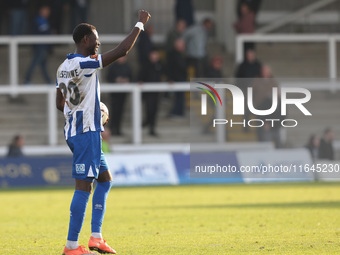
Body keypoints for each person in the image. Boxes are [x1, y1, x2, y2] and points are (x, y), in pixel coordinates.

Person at [56, 10, 151, 255]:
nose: (98, 42)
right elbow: (121, 51)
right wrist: (140, 23)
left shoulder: (63, 67)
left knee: (105, 181)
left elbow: (60, 103)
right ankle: (71, 247)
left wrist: (87, 108)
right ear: (85, 39)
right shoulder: (84, 64)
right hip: (85, 133)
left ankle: (96, 238)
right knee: (83, 187)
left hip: (81, 130)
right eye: (96, 38)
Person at [24, 5, 52, 85]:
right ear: (41, 10)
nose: (47, 12)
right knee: (35, 63)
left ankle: (48, 81)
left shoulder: (45, 20)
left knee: (43, 65)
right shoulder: (39, 20)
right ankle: (27, 80)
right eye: (46, 10)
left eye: (48, 11)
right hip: (39, 46)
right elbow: (44, 33)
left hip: (43, 46)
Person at [107, 56, 132, 136]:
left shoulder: (127, 67)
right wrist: (116, 80)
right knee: (114, 111)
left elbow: (131, 77)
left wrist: (126, 80)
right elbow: (109, 78)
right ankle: (111, 129)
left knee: (120, 112)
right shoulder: (113, 67)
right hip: (114, 94)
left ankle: (118, 129)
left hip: (123, 94)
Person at [139, 49, 163, 136]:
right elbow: (140, 76)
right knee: (149, 109)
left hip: (156, 93)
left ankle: (151, 127)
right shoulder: (145, 65)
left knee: (154, 110)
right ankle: (147, 123)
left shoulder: (160, 65)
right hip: (148, 93)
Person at [167, 38, 187, 117]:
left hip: (181, 78)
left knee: (181, 96)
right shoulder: (172, 55)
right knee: (179, 97)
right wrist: (171, 78)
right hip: (176, 79)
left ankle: (179, 112)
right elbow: (170, 67)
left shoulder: (181, 55)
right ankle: (176, 112)